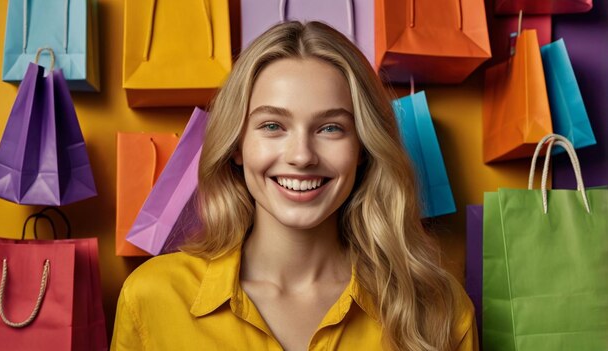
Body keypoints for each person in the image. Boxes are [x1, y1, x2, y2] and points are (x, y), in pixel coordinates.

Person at [111, 21, 478, 351]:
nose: (301, 156)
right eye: (272, 126)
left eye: (330, 127)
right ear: (237, 145)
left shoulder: (438, 307)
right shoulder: (152, 297)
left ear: (363, 149)